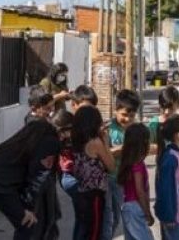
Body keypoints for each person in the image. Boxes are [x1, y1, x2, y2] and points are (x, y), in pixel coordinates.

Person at [0, 121, 60, 240]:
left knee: (26, 224)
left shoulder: (22, 143)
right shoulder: (48, 142)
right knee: (28, 223)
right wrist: (29, 207)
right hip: (0, 185)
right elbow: (37, 177)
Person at [72, 106, 116, 240]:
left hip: (81, 191)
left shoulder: (76, 141)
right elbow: (111, 166)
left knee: (83, 230)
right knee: (94, 232)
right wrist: (106, 142)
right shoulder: (95, 142)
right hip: (94, 194)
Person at [105, 89, 142, 240]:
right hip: (108, 178)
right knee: (108, 217)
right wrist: (119, 149)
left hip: (125, 180)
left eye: (131, 116)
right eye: (124, 115)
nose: (127, 119)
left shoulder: (136, 130)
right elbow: (102, 152)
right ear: (116, 110)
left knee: (121, 216)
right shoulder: (108, 129)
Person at [155, 115, 179, 240]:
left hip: (177, 215)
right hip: (172, 217)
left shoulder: (177, 154)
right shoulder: (171, 157)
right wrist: (168, 216)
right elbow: (165, 189)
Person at [118, 124, 154, 240]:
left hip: (127, 207)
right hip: (135, 208)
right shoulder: (137, 165)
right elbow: (140, 191)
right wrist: (147, 213)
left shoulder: (127, 162)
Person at [149, 87, 179, 177]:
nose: (166, 112)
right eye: (163, 107)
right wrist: (162, 147)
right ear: (159, 105)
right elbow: (148, 147)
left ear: (178, 104)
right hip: (164, 167)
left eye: (170, 108)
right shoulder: (154, 124)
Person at [52, 109, 82, 240]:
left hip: (68, 177)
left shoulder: (67, 138)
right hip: (70, 177)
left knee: (82, 216)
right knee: (84, 216)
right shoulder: (61, 141)